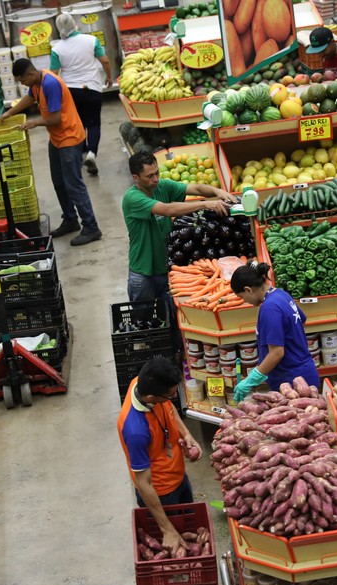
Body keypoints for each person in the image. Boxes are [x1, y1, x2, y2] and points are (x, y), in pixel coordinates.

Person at [0, 58, 102, 246]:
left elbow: (55, 118)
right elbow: (30, 97)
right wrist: (10, 113)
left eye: (23, 81)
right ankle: (70, 220)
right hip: (56, 139)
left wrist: (34, 122)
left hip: (69, 138)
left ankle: (91, 227)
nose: (23, 85)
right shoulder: (37, 84)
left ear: (30, 74)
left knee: (74, 184)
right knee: (58, 182)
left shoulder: (50, 84)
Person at [123, 150, 235, 309]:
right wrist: (205, 204)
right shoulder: (132, 198)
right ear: (136, 178)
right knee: (146, 322)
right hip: (143, 273)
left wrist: (217, 191)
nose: (155, 179)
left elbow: (195, 188)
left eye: (157, 173)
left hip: (168, 269)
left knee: (172, 318)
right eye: (149, 176)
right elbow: (168, 210)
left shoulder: (162, 186)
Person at [118, 355, 203, 550]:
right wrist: (166, 529)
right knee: (175, 545)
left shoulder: (140, 384)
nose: (173, 397)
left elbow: (169, 406)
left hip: (179, 478)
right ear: (151, 398)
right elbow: (143, 482)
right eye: (171, 394)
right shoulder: (136, 430)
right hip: (162, 494)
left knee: (188, 529)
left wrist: (186, 434)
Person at [229, 262, 320, 402]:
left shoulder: (269, 308)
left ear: (248, 290)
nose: (245, 301)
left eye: (242, 297)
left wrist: (252, 378)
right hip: (304, 372)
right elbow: (302, 318)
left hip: (293, 383)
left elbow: (277, 352)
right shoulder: (281, 294)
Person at [50, 13, 111, 177]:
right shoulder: (90, 40)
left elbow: (53, 74)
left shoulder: (57, 49)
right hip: (92, 88)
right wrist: (109, 77)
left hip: (70, 92)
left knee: (78, 123)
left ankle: (83, 154)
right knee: (93, 123)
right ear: (73, 23)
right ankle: (92, 153)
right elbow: (104, 60)